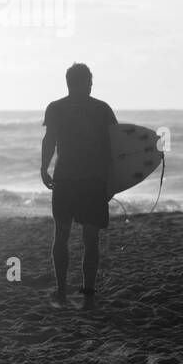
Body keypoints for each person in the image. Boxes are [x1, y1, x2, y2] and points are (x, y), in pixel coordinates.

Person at [40, 63, 117, 304]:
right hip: (92, 182)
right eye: (90, 81)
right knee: (89, 238)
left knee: (61, 235)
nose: (92, 85)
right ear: (83, 82)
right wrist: (112, 180)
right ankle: (88, 290)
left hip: (65, 180)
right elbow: (115, 147)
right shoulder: (102, 109)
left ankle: (62, 290)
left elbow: (49, 141)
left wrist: (44, 168)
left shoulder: (55, 108)